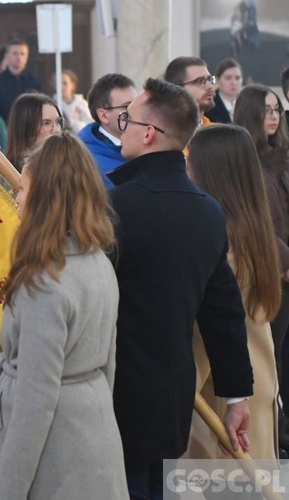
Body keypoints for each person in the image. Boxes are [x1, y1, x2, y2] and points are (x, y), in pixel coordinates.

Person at [109, 78, 253, 499]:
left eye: (127, 119)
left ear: (149, 132)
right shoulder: (207, 212)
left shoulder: (115, 207)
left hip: (114, 394)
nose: (123, 128)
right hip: (172, 396)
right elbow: (223, 313)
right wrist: (235, 396)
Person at [0, 131, 128, 498]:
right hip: (93, 429)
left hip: (53, 448)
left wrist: (7, 491)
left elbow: (35, 401)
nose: (17, 196)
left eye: (24, 189)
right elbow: (108, 365)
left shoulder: (43, 281)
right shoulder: (97, 261)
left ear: (45, 199)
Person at [184, 124, 281, 460]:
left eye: (189, 160)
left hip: (223, 405)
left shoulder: (222, 247)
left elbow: (208, 335)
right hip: (256, 390)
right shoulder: (252, 232)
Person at [234, 85, 289, 441]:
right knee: (274, 356)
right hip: (271, 271)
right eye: (266, 110)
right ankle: (276, 436)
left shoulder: (282, 155)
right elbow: (256, 220)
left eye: (277, 110)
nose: (273, 116)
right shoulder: (244, 159)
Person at [78, 73, 137, 189]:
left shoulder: (147, 142)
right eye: (127, 107)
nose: (136, 112)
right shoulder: (86, 159)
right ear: (103, 115)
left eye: (136, 105)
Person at [0, 39, 42, 124]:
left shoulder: (35, 82)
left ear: (27, 57)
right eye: (15, 53)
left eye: (22, 54)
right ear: (7, 56)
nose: (19, 57)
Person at [4, 92, 62, 170]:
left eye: (58, 122)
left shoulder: (67, 164)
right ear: (26, 128)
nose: (57, 130)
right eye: (46, 123)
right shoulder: (9, 172)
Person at [164, 56, 216, 126]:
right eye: (200, 81)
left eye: (210, 79)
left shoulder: (216, 132)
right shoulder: (164, 131)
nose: (210, 86)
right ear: (178, 89)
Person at [205, 58, 242, 124]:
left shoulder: (246, 106)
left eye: (237, 78)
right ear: (218, 80)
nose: (234, 82)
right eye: (228, 78)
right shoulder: (209, 107)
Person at [59, 69, 94, 133]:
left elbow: (90, 123)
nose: (61, 87)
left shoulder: (82, 103)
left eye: (65, 83)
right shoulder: (55, 104)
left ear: (72, 85)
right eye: (58, 83)